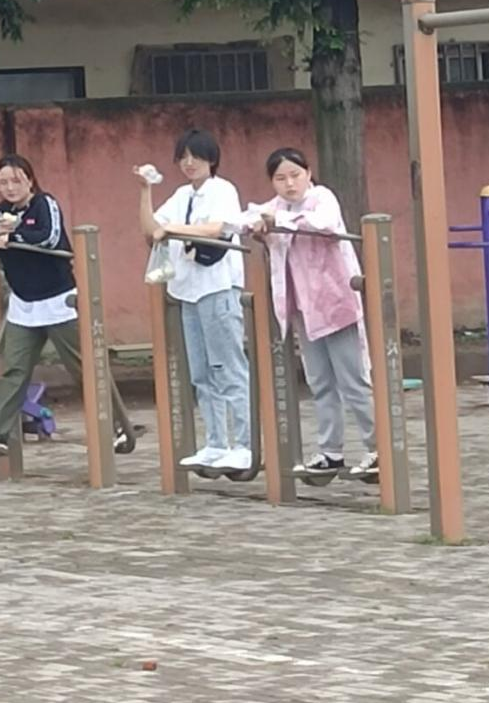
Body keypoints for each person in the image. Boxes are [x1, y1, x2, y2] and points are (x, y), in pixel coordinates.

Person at [0, 154, 134, 455]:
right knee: (14, 369)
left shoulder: (45, 204)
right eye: (3, 182)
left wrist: (11, 236)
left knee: (84, 367)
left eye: (16, 180)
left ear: (30, 180)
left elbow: (49, 237)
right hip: (23, 304)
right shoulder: (1, 212)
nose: (10, 187)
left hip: (58, 300)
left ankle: (117, 427)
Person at [242, 147, 378, 479]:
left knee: (353, 380)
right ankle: (331, 451)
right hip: (302, 307)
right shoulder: (275, 207)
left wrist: (278, 222)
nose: (289, 184)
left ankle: (378, 448)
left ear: (308, 173)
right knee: (320, 381)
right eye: (280, 178)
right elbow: (251, 221)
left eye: (295, 175)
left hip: (335, 302)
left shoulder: (322, 198)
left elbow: (324, 224)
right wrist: (259, 227)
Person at [135, 128, 251, 471]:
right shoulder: (181, 195)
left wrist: (173, 230)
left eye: (196, 156)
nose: (189, 163)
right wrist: (145, 191)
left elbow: (216, 228)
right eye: (183, 157)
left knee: (228, 367)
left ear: (211, 159)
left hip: (218, 287)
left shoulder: (222, 189)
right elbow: (151, 230)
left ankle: (245, 444)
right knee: (201, 372)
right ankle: (216, 443)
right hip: (187, 290)